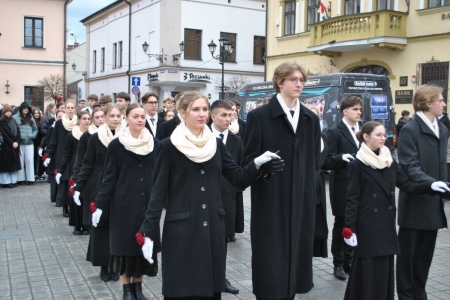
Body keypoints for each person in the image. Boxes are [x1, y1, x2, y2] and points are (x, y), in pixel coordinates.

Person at [139, 91, 283, 299]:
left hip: (213, 227)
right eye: (195, 109)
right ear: (182, 112)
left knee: (211, 288)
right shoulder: (167, 147)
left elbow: (238, 178)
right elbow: (158, 192)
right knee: (182, 289)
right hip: (182, 230)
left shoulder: (216, 145)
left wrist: (257, 164)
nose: (202, 114)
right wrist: (148, 231)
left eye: (205, 109)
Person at [343, 121, 449, 300]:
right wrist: (349, 228)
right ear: (366, 137)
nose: (383, 138)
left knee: (384, 269)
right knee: (367, 269)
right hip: (367, 225)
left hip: (385, 225)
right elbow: (353, 198)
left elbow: (407, 185)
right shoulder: (357, 163)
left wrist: (430, 185)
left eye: (384, 135)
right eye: (378, 135)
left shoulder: (389, 161)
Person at [242, 61, 321, 299]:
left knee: (297, 257)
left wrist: (310, 192)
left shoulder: (310, 118)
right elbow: (248, 160)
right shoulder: (259, 117)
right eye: (294, 80)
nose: (299, 84)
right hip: (271, 201)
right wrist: (264, 167)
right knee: (271, 259)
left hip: (301, 200)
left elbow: (315, 161)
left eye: (302, 80)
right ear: (279, 82)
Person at [91, 103, 158, 300]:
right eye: (135, 116)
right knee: (123, 248)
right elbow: (109, 177)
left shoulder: (154, 143)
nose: (140, 120)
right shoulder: (116, 145)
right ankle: (127, 290)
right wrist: (99, 205)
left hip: (147, 205)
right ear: (126, 118)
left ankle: (138, 288)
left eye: (142, 116)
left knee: (141, 249)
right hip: (123, 205)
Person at [396, 85, 448, 300]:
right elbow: (410, 165)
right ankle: (407, 296)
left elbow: (442, 165)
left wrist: (441, 185)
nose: (444, 104)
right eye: (441, 100)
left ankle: (420, 293)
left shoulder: (442, 129)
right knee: (408, 259)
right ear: (428, 103)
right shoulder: (410, 129)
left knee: (424, 258)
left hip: (433, 205)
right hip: (415, 205)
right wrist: (431, 183)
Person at [73, 104, 122, 282]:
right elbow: (87, 163)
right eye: (112, 116)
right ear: (105, 117)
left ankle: (116, 264)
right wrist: (78, 186)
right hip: (100, 182)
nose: (115, 119)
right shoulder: (95, 138)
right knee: (100, 225)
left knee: (118, 227)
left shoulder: (126, 136)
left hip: (120, 184)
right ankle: (103, 265)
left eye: (118, 116)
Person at [322, 95, 363, 280]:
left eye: (360, 109)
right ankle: (338, 263)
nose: (359, 112)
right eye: (355, 109)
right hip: (342, 185)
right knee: (342, 224)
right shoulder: (335, 132)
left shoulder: (362, 131)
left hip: (360, 184)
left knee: (354, 223)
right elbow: (326, 161)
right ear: (345, 111)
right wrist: (340, 158)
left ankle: (349, 259)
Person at [210, 99, 243, 294]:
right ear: (213, 117)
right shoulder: (203, 137)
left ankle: (221, 279)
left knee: (222, 242)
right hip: (207, 195)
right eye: (223, 115)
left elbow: (237, 167)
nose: (228, 119)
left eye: (230, 115)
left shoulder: (235, 140)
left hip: (228, 196)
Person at [56, 111, 91, 235]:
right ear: (79, 120)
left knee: (86, 197)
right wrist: (61, 170)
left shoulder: (93, 135)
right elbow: (67, 153)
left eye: (88, 118)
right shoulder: (72, 135)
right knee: (76, 196)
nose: (87, 121)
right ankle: (77, 225)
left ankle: (86, 224)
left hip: (89, 170)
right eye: (84, 119)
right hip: (74, 168)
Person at [71, 108, 104, 232]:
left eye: (102, 116)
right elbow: (81, 158)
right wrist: (76, 177)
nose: (100, 119)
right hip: (93, 173)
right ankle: (88, 225)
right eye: (97, 117)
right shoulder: (88, 135)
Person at [304, 104, 329, 258]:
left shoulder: (323, 137)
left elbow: (325, 160)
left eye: (316, 116)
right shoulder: (300, 138)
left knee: (316, 224)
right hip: (304, 183)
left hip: (318, 184)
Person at [45, 101, 78, 215]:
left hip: (75, 154)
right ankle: (65, 206)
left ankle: (73, 204)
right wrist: (49, 155)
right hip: (61, 154)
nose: (70, 110)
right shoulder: (59, 123)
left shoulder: (78, 122)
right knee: (64, 180)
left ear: (75, 109)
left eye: (72, 108)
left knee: (73, 179)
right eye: (68, 108)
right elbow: (53, 140)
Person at [12, 102, 38, 185]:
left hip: (29, 142)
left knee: (30, 160)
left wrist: (32, 136)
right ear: (21, 109)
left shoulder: (31, 117)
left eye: (27, 108)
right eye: (24, 108)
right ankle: (20, 179)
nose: (26, 110)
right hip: (20, 142)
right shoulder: (15, 118)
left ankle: (30, 178)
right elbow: (13, 129)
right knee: (20, 160)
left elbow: (35, 129)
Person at [0, 104, 21, 188]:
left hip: (14, 145)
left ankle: (13, 180)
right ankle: (5, 182)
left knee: (13, 164)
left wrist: (17, 141)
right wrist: (12, 142)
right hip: (6, 146)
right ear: (4, 112)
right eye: (7, 111)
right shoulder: (1, 122)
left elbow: (18, 132)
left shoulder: (13, 121)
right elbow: (4, 134)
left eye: (10, 111)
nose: (9, 113)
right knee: (6, 165)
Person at [32, 107, 46, 181]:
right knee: (34, 158)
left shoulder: (42, 121)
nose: (37, 114)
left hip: (41, 142)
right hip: (34, 142)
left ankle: (40, 173)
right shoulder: (31, 122)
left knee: (41, 158)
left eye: (38, 113)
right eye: (35, 113)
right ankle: (34, 173)